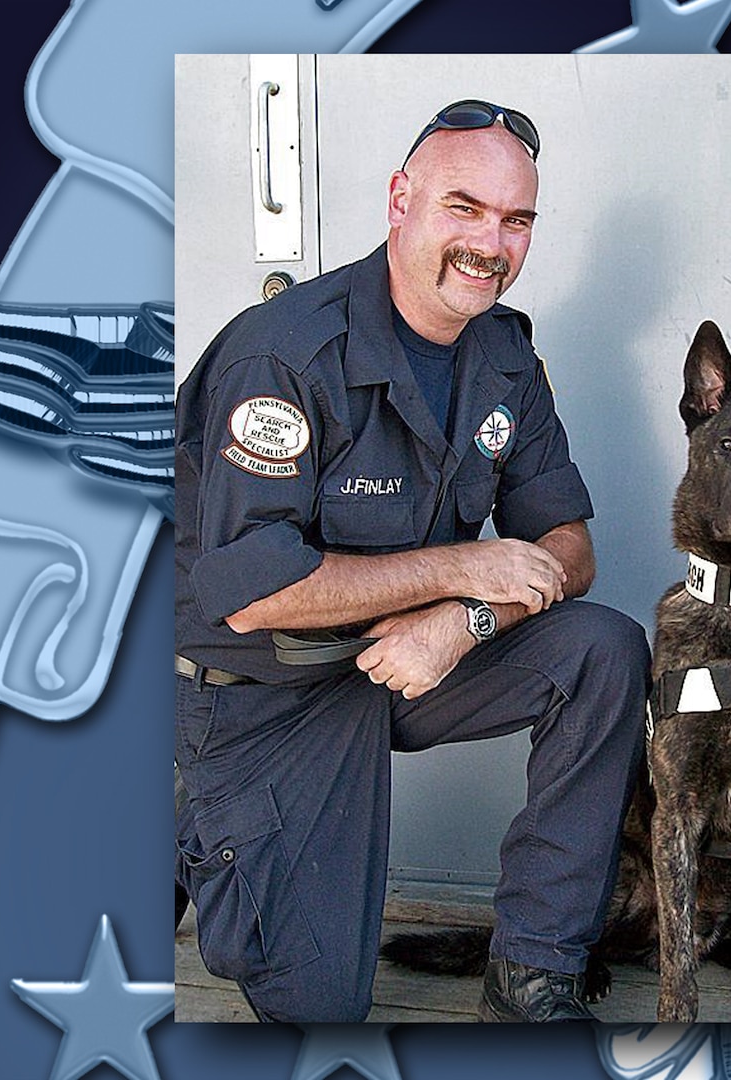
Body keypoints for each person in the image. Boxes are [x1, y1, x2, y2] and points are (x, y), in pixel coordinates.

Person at [174, 99, 649, 1022]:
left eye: (516, 222)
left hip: (395, 666)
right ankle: (192, 817)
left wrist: (465, 621)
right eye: (463, 208)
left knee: (602, 649)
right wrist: (460, 573)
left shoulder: (504, 356)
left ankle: (534, 976)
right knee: (319, 1011)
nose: (490, 244)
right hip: (263, 692)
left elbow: (569, 547)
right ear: (400, 201)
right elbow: (252, 591)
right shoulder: (285, 356)